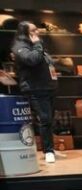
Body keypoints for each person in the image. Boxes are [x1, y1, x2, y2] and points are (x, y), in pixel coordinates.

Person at [12, 21, 58, 164]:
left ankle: (50, 148)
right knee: (45, 119)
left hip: (47, 87)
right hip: (36, 88)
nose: (37, 32)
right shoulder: (20, 46)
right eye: (33, 30)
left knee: (49, 120)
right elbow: (32, 60)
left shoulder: (36, 45)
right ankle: (48, 151)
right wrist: (38, 44)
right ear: (25, 32)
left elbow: (46, 61)